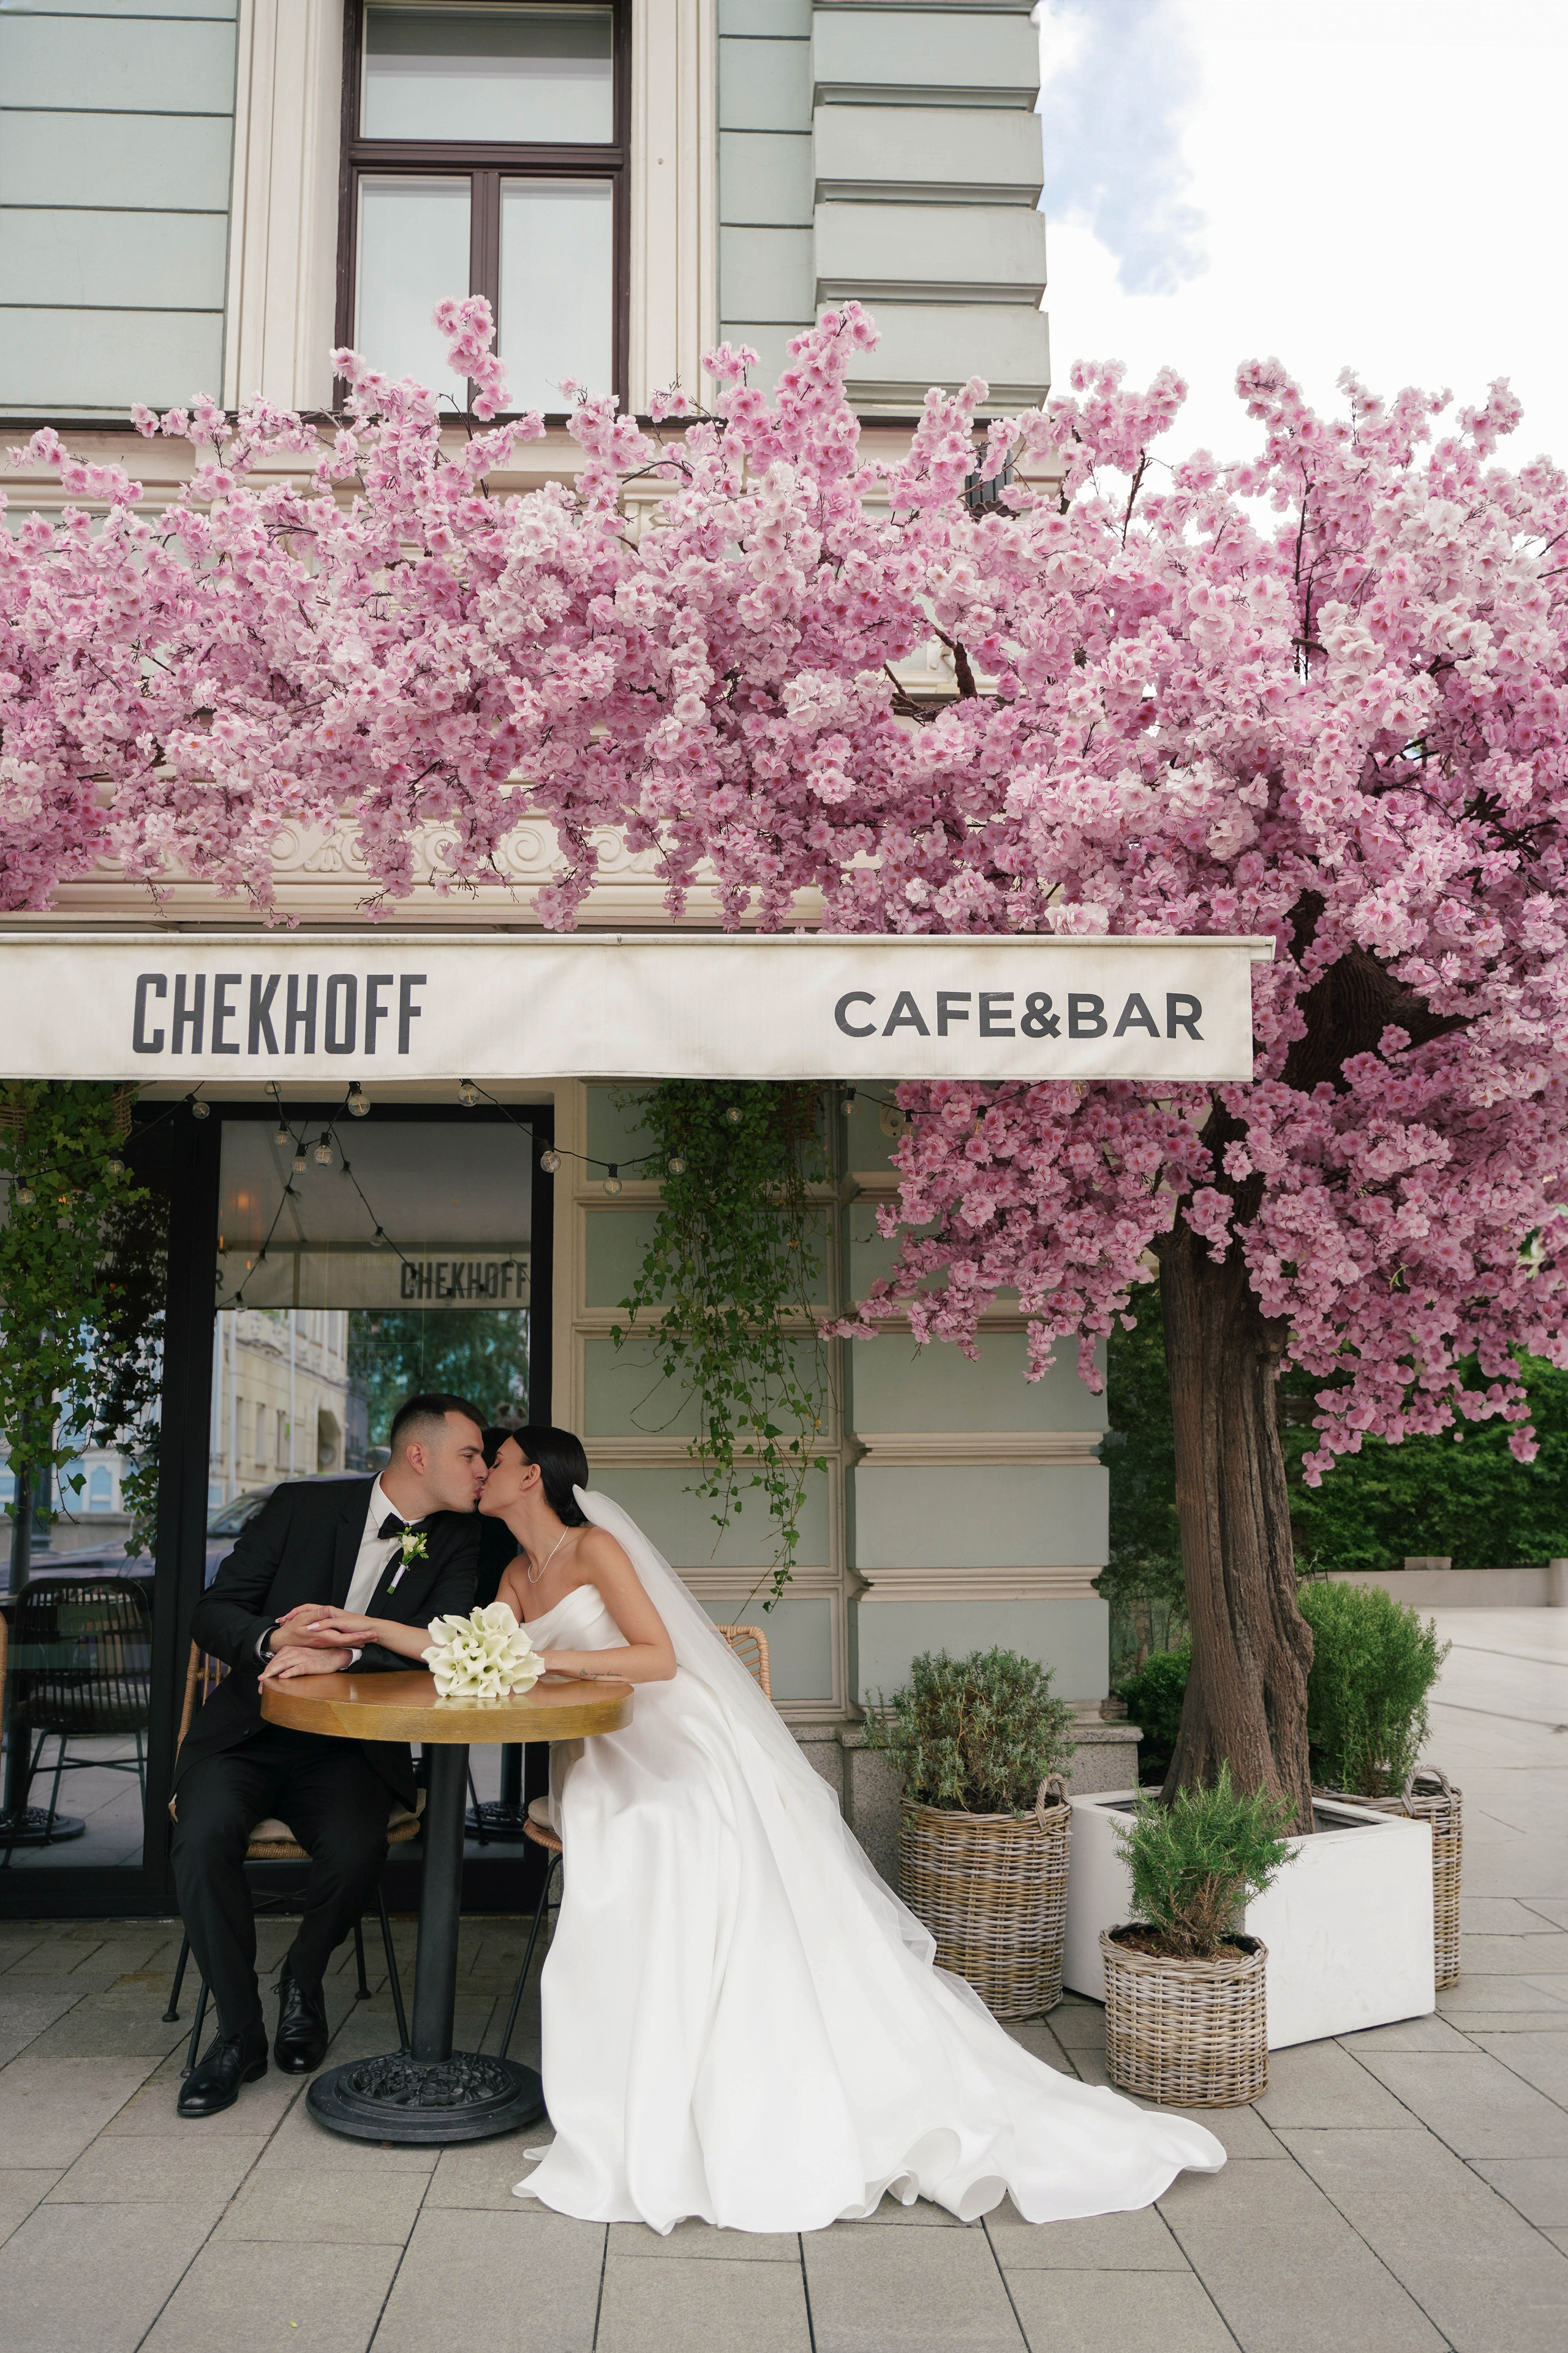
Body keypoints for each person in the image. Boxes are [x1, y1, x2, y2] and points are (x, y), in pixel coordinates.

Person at [475, 1425, 1227, 2234]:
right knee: (621, 1822)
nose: (485, 1468)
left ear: (534, 1475)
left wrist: (557, 1664)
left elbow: (658, 1658)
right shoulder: (516, 1575)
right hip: (609, 1752)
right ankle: (638, 2073)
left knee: (674, 1822)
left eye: (499, 1457)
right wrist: (375, 1634)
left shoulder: (595, 1549)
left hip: (680, 1735)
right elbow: (473, 1649)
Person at [169, 1392, 486, 2118]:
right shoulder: (299, 1508)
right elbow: (213, 1611)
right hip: (247, 1734)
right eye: (469, 1455)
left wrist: (339, 1658)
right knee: (202, 1838)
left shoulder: (457, 1542)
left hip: (348, 1750)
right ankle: (237, 2032)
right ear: (419, 1455)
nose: (479, 1470)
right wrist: (277, 1642)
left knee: (356, 1848)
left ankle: (303, 1981)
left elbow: (445, 1651)